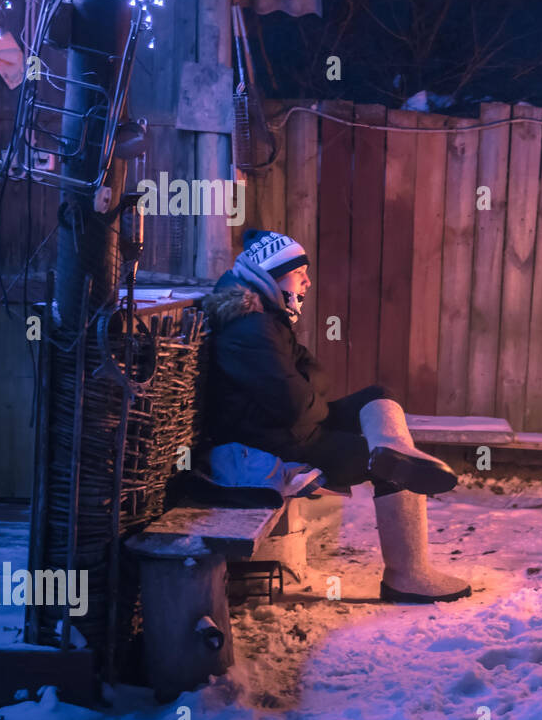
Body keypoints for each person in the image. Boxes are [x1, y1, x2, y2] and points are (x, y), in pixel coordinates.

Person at [201, 229, 471, 603]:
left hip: (293, 427)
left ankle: (392, 449)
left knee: (378, 395)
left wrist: (311, 394)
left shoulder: (267, 317)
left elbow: (316, 376)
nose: (308, 282)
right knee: (387, 465)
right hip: (274, 441)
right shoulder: (251, 329)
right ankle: (407, 577)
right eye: (300, 274)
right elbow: (295, 403)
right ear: (271, 277)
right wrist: (312, 395)